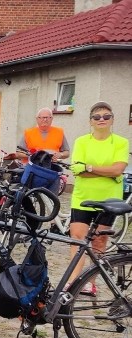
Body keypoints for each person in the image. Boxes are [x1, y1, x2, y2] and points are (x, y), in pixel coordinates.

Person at [66, 101, 128, 295]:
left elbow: (119, 169)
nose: (101, 119)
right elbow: (77, 170)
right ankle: (73, 281)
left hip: (108, 200)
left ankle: (90, 281)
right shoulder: (82, 141)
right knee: (77, 238)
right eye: (97, 117)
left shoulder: (121, 142)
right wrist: (107, 173)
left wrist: (90, 168)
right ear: (90, 121)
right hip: (83, 197)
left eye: (106, 116)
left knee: (99, 242)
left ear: (112, 120)